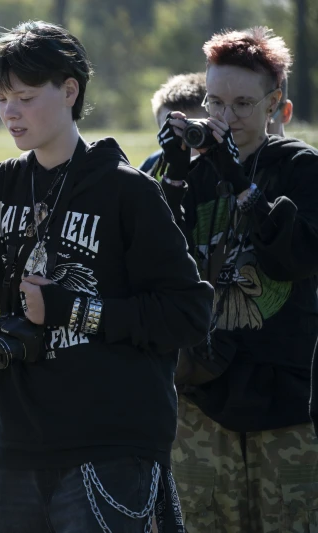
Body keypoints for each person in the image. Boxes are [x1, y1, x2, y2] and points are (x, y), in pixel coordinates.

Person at [0, 20, 213, 533]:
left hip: (110, 452)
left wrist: (74, 311)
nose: (10, 112)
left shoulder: (128, 193)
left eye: (24, 96)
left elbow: (190, 312)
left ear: (69, 90)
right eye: (2, 98)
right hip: (16, 448)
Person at [157, 26, 318, 532]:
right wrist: (175, 177)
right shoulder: (192, 169)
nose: (225, 119)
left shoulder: (302, 169)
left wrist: (241, 182)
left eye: (243, 104)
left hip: (288, 405)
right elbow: (157, 265)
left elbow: (290, 258)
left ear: (276, 107)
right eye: (215, 102)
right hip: (202, 404)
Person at [139, 73, 208, 175]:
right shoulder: (154, 163)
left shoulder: (223, 165)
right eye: (172, 131)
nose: (183, 141)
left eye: (192, 133)